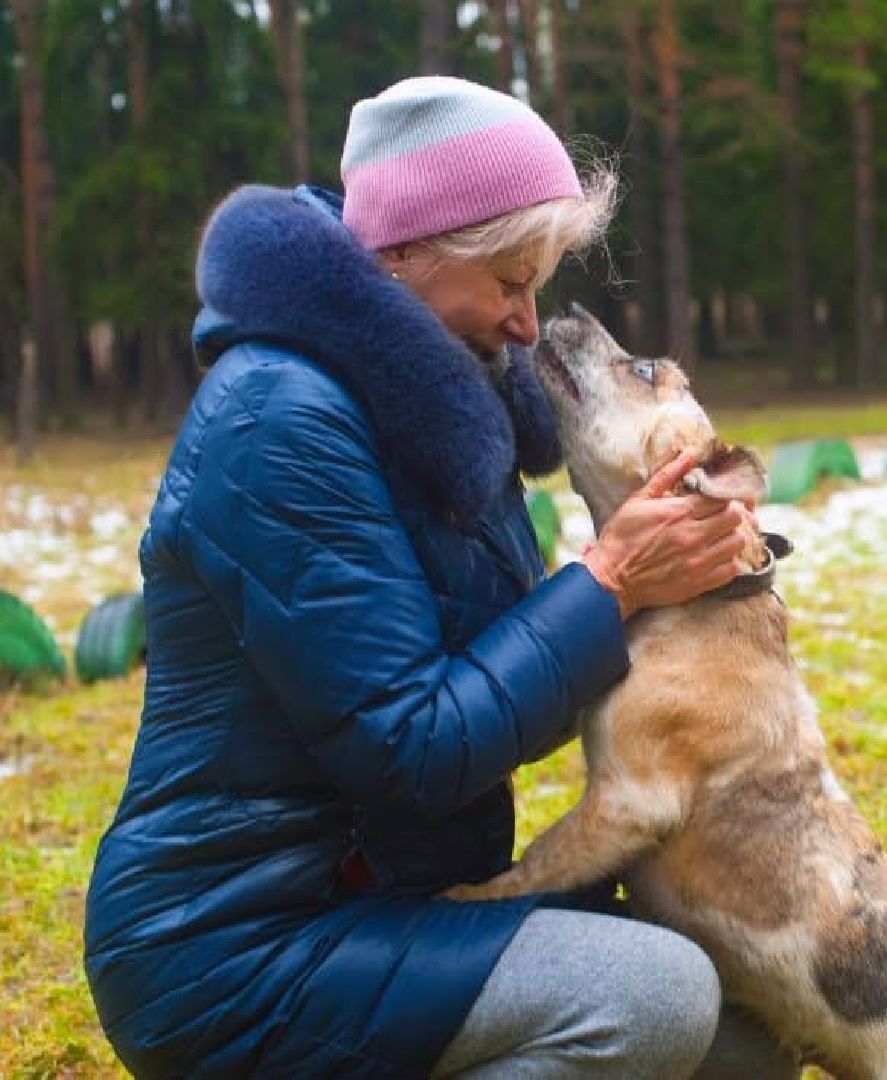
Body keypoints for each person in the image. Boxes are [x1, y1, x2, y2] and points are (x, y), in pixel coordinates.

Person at [83, 76, 801, 1079]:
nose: (525, 323)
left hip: (396, 900)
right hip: (239, 947)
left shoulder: (440, 406)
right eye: (510, 282)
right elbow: (413, 749)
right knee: (655, 998)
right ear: (407, 251)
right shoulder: (280, 422)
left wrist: (680, 581)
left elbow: (499, 690)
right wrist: (609, 583)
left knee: (751, 1022)